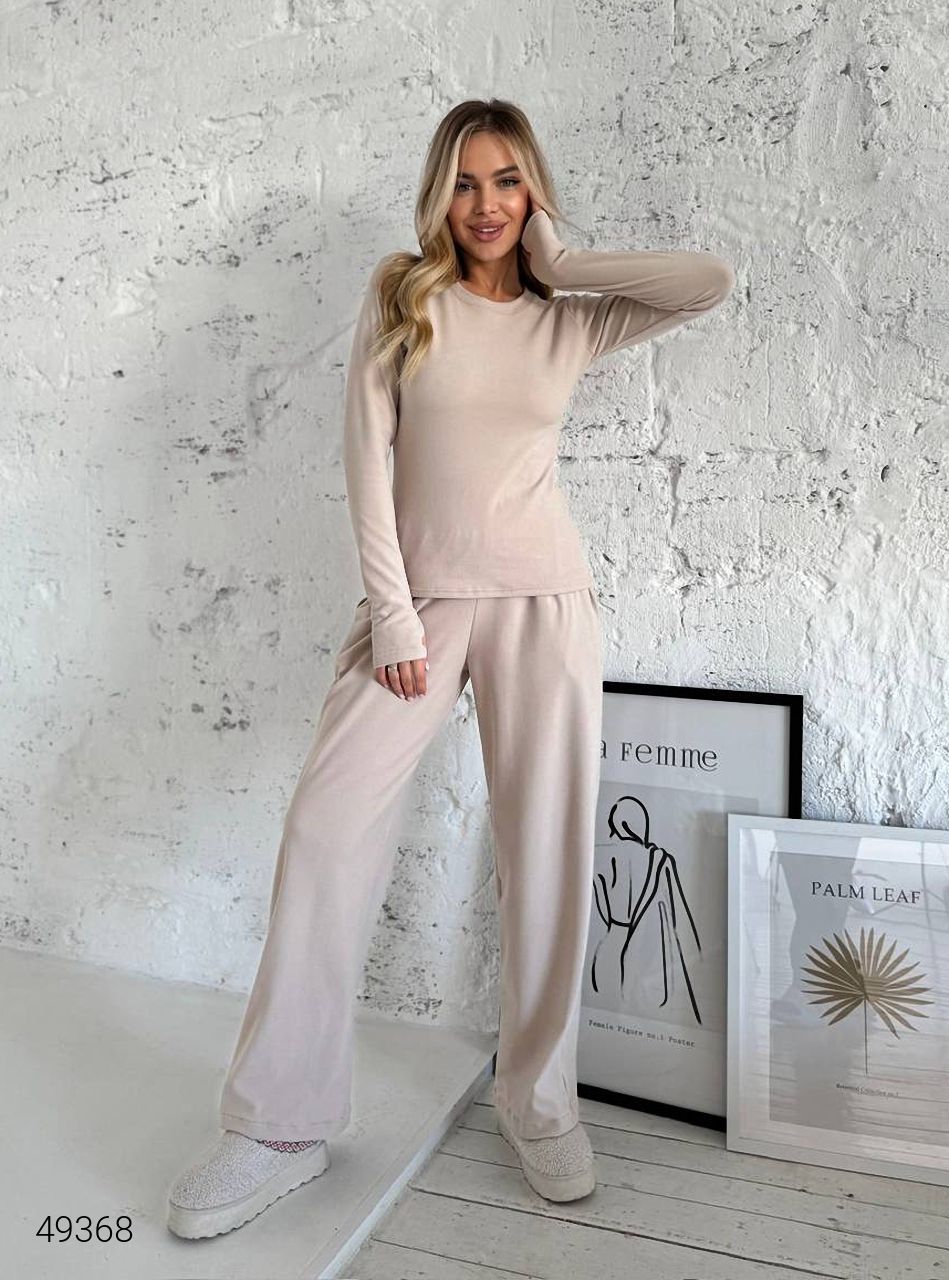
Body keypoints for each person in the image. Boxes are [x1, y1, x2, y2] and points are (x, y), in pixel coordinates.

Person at [166, 97, 735, 1239]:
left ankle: (538, 1100)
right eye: (467, 182)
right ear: (440, 192)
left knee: (548, 852)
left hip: (544, 603)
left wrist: (562, 262)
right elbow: (366, 457)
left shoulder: (570, 320)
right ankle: (281, 1123)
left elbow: (708, 281)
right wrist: (393, 617)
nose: (486, 205)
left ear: (534, 194)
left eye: (508, 181)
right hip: (419, 608)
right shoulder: (402, 295)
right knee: (326, 828)